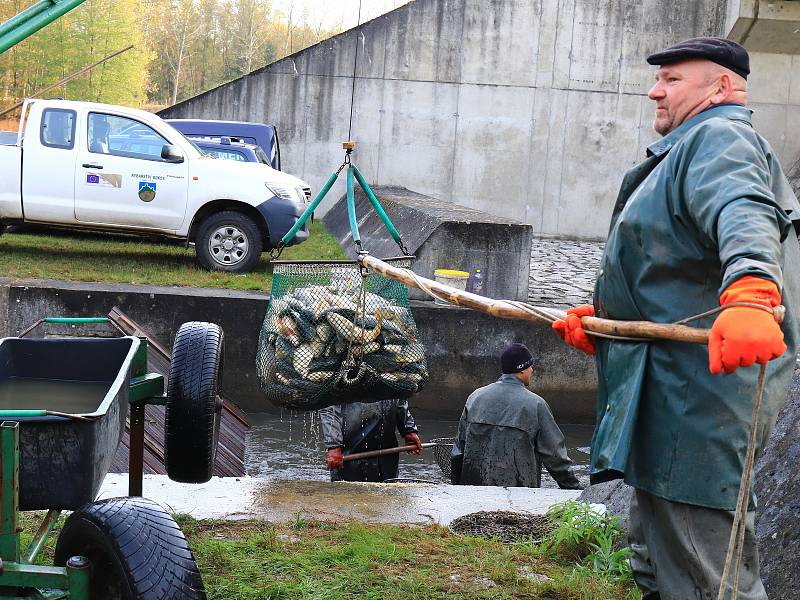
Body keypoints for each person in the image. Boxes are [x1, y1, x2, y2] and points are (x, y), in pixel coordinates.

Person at [552, 37, 800, 599]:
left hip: (699, 406)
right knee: (655, 563)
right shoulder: (691, 145)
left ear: (722, 87)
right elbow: (677, 263)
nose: (654, 89)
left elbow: (742, 210)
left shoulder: (720, 138)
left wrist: (753, 289)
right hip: (667, 396)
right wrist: (609, 319)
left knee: (708, 580)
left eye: (672, 79)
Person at [450, 342, 582, 489]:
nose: (532, 370)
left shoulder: (475, 398)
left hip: (474, 493)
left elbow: (457, 453)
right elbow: (556, 458)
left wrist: (458, 488)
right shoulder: (536, 405)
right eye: (530, 366)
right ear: (522, 370)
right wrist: (575, 489)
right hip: (519, 494)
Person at [319, 399, 422, 482]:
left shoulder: (390, 377)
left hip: (386, 454)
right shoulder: (343, 377)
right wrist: (334, 446)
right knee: (349, 495)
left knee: (387, 493)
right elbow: (330, 409)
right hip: (351, 454)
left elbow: (399, 397)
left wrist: (409, 430)